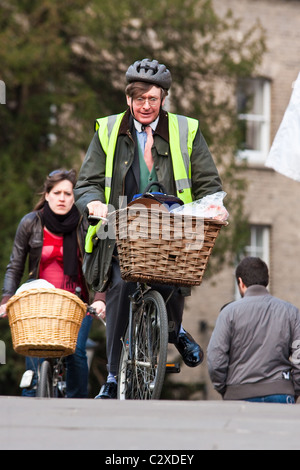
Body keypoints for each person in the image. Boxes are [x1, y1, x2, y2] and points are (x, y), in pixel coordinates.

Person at [74, 58, 223, 399]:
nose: (145, 106)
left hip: (171, 227)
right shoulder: (109, 130)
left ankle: (174, 330)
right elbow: (87, 182)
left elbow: (209, 184)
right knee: (121, 285)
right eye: (138, 98)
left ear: (164, 99)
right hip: (119, 228)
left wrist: (214, 208)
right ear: (128, 99)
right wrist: (93, 204)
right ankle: (112, 377)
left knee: (172, 276)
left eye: (152, 99)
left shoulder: (186, 131)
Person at [0, 169, 105, 398]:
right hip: (39, 300)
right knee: (34, 346)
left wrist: (100, 299)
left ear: (74, 197)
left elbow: (101, 263)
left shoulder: (85, 223)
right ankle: (32, 393)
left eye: (68, 193)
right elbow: (15, 266)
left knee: (77, 351)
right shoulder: (30, 223)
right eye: (57, 192)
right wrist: (7, 299)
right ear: (47, 195)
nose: (62, 198)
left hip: (76, 302)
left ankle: (77, 401)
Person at [207, 256, 300, 404]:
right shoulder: (291, 312)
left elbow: (215, 358)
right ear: (266, 281)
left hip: (237, 395)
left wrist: (225, 388)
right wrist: (292, 389)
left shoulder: (229, 313)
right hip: (281, 393)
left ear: (241, 283)